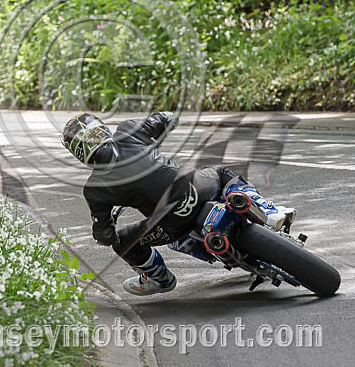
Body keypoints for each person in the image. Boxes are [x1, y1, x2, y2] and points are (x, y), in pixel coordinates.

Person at [61, 112, 296, 296]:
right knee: (224, 173)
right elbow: (167, 117)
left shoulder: (95, 189)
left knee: (124, 244)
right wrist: (161, 132)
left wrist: (108, 227)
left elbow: (104, 236)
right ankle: (268, 211)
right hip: (199, 188)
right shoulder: (129, 130)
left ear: (77, 152)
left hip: (172, 224)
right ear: (101, 128)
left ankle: (160, 280)